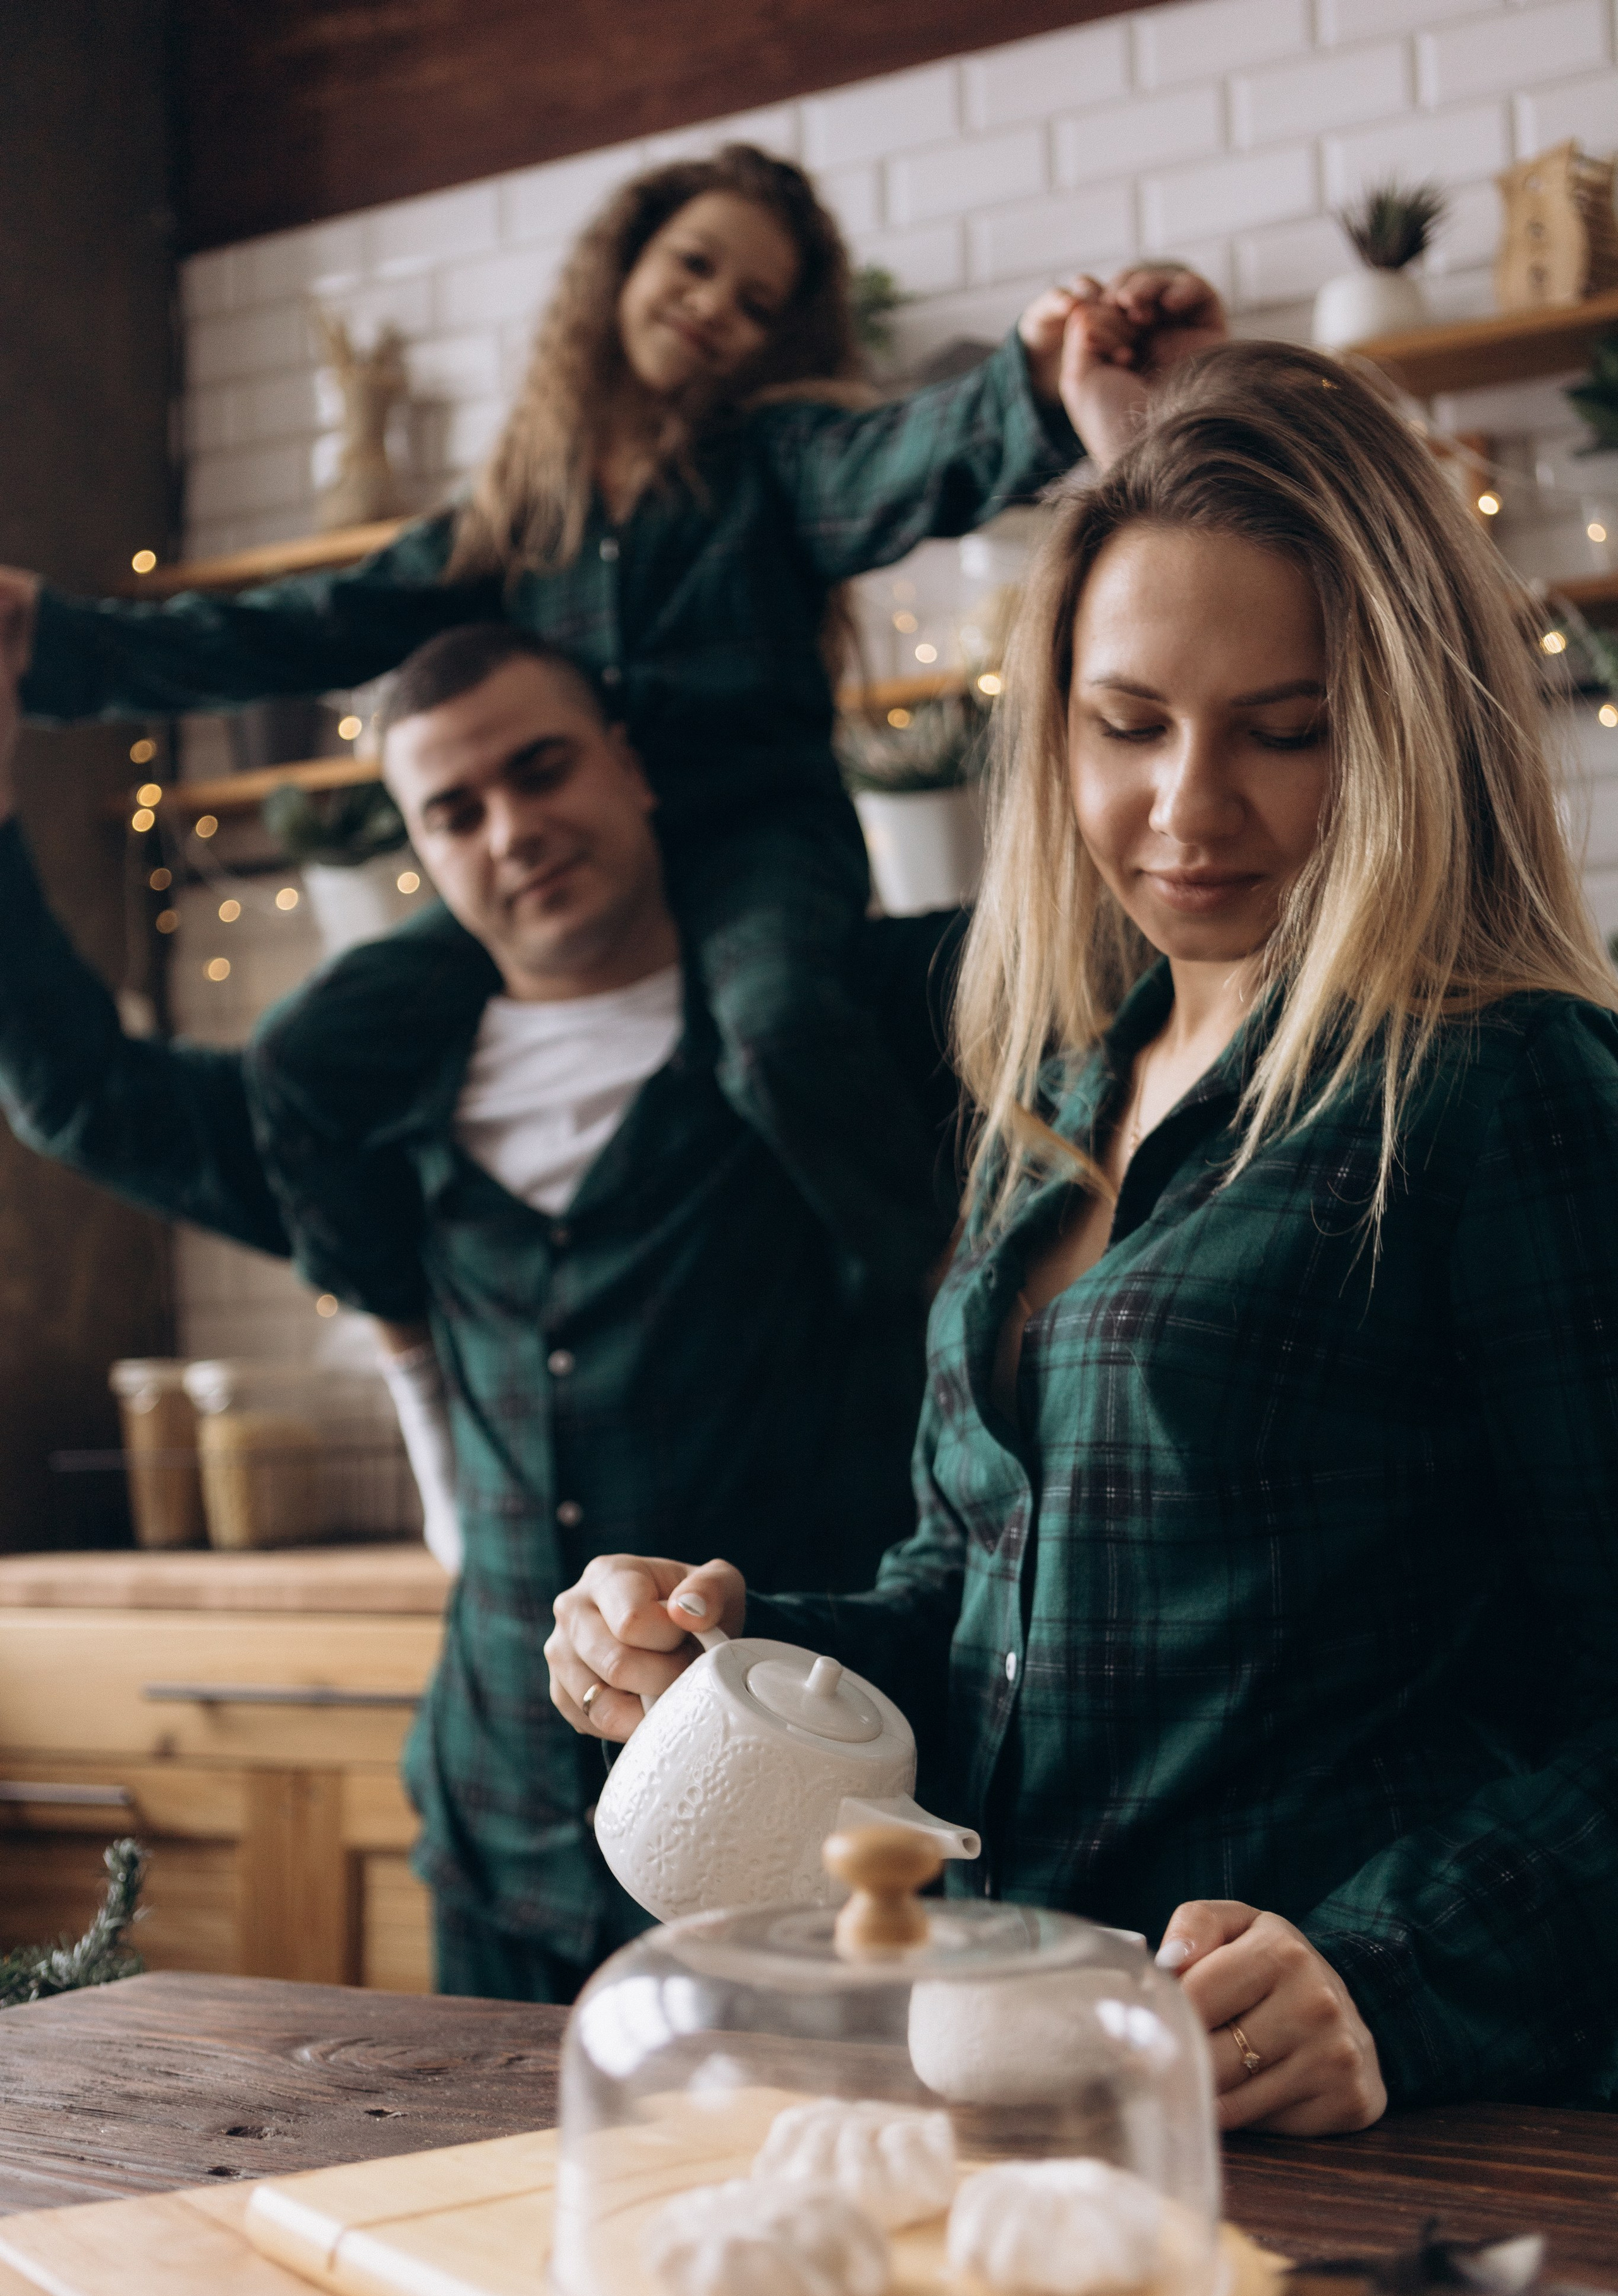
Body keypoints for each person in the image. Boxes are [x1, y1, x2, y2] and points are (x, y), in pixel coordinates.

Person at [547, 338, 1618, 2127]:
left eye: (1288, 732)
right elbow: (983, 1609)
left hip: (1368, 2135)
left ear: (1410, 730)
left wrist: (1393, 1974)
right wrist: (732, 1656)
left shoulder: (1505, 1085)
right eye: (1131, 726)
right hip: (1007, 2084)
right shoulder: (1058, 1095)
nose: (1190, 809)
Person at [0, 138, 1221, 1315]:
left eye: (752, 303)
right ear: (621, 270)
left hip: (754, 846)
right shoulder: (521, 508)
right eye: (692, 266)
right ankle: (404, 1323)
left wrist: (1036, 379)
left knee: (780, 1026)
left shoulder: (776, 459)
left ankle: (930, 1289)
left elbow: (905, 456)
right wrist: (52, 642)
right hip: (571, 861)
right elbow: (307, 623)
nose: (711, 308)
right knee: (306, 1046)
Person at [0, 617, 971, 2001]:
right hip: (497, 1835)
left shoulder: (838, 1030)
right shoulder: (364, 1117)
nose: (511, 828)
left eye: (541, 770)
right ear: (418, 850)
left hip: (786, 1831)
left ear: (629, 767)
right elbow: (78, 1097)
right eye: (454, 811)